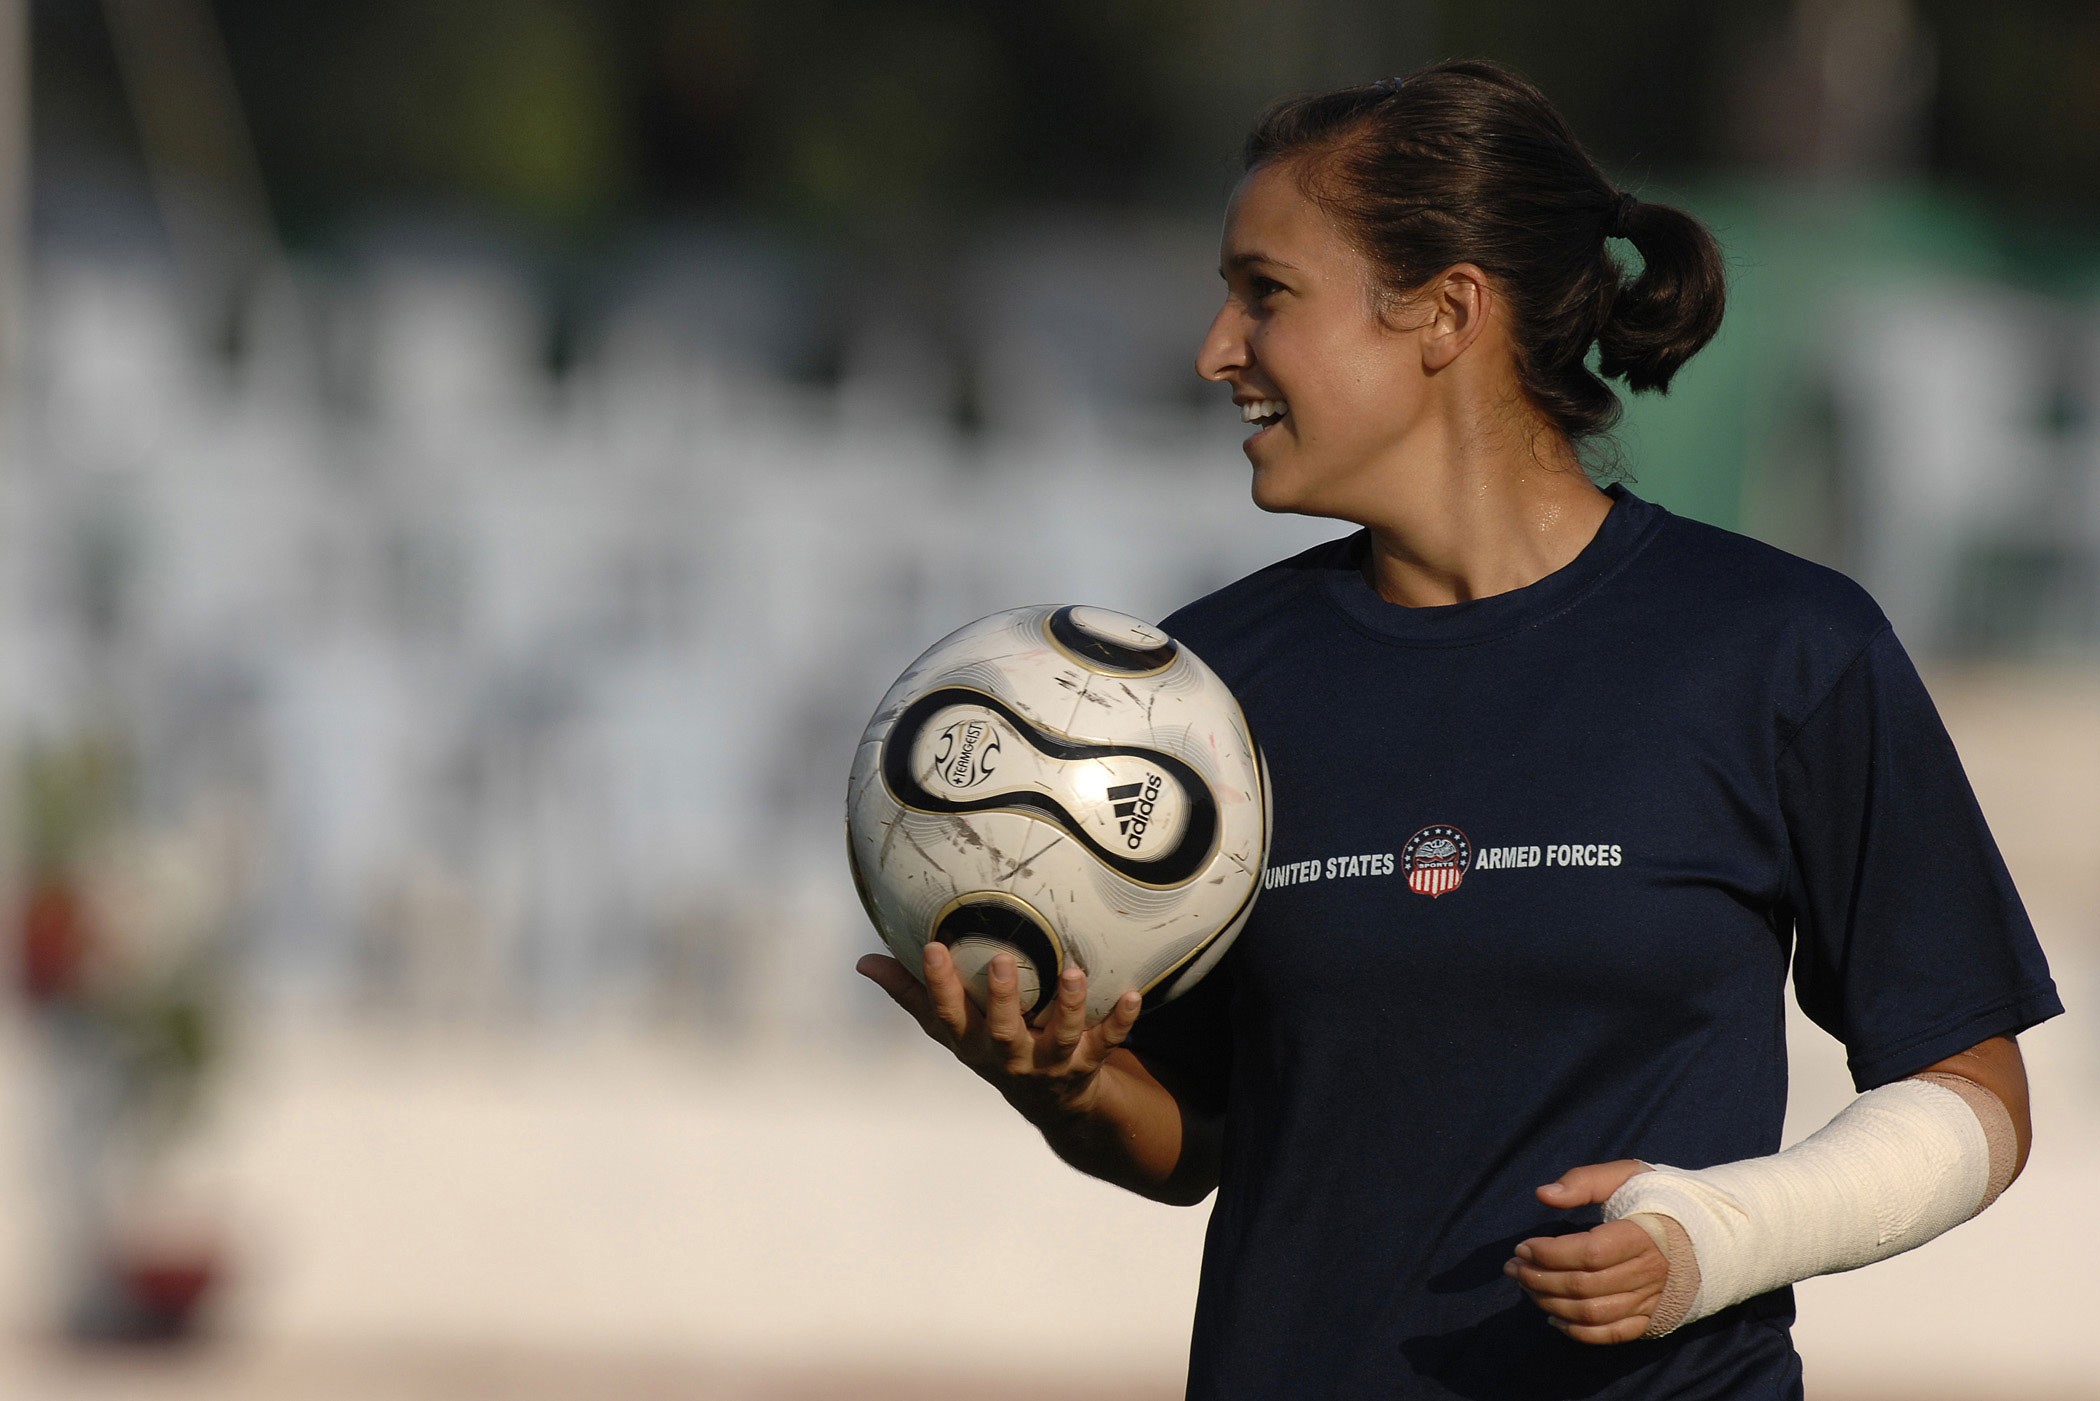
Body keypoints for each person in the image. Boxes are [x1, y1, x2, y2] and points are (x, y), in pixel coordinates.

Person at [857, 59, 2062, 1399]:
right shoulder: (1198, 695)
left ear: (1446, 312)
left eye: (1266, 292)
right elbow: (1196, 1140)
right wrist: (1060, 1080)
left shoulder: (1780, 648)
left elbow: (1972, 1097)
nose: (1216, 348)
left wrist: (1714, 1239)